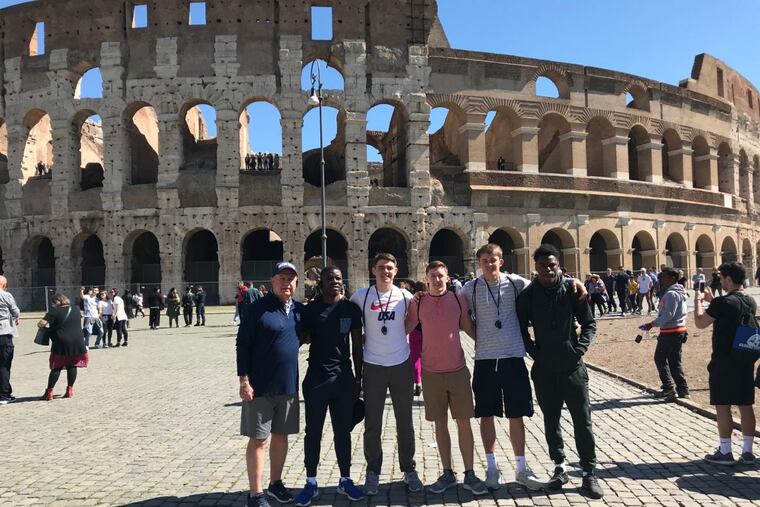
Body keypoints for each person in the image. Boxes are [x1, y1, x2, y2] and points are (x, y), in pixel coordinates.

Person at [462, 244, 556, 491]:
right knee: (486, 414)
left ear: (501, 262)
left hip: (513, 357)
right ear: (478, 263)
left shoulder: (516, 283)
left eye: (493, 260)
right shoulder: (469, 289)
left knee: (517, 414)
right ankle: (492, 468)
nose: (489, 264)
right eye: (484, 260)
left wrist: (573, 282)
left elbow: (548, 283)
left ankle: (521, 467)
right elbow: (451, 306)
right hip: (484, 360)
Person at [516, 245, 603, 499]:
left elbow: (589, 323)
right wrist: (533, 351)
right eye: (543, 265)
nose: (548, 269)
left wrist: (580, 349)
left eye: (552, 265)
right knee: (551, 420)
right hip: (544, 369)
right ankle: (560, 466)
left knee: (582, 421)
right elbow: (520, 326)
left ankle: (588, 472)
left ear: (559, 266)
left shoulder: (573, 291)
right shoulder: (529, 295)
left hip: (572, 368)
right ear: (537, 268)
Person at [405, 261, 488, 496]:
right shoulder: (418, 302)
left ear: (448, 278)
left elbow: (469, 329)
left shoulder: (458, 299)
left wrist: (491, 347)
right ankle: (447, 472)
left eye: (441, 275)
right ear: (427, 278)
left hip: (458, 369)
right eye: (433, 276)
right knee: (440, 424)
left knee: (464, 422)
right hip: (431, 373)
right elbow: (406, 328)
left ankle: (470, 472)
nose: (438, 279)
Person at [349, 253, 423, 495]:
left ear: (396, 270)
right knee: (373, 423)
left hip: (401, 364)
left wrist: (402, 334)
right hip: (373, 365)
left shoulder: (405, 296)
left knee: (405, 422)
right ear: (373, 270)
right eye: (381, 268)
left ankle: (408, 469)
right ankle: (373, 470)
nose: (386, 272)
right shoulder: (362, 296)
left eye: (390, 268)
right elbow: (350, 322)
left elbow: (414, 320)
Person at [293, 267, 365, 505]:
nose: (334, 281)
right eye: (329, 279)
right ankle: (311, 481)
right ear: (320, 283)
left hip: (343, 377)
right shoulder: (311, 310)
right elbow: (299, 339)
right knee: (313, 432)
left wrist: (359, 379)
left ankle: (345, 479)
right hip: (316, 378)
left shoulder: (351, 309)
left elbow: (357, 345)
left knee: (342, 432)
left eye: (337, 278)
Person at [237, 262, 303, 507]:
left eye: (291, 278)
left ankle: (275, 483)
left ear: (296, 283)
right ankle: (255, 494)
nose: (286, 282)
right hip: (260, 386)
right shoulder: (257, 309)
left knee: (281, 436)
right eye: (281, 277)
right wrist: (244, 380)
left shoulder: (298, 310)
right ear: (272, 281)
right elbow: (242, 345)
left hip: (287, 385)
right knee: (259, 439)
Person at [694, 261, 757, 465]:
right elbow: (730, 310)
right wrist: (715, 301)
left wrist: (698, 301)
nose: (719, 281)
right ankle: (747, 452)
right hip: (745, 357)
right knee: (746, 405)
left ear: (729, 279)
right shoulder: (749, 301)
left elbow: (700, 323)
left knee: (723, 405)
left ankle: (725, 451)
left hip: (724, 360)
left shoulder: (722, 304)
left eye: (721, 278)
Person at [638, 268, 689, 401]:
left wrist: (651, 324)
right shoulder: (681, 292)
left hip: (670, 332)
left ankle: (668, 389)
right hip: (678, 330)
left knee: (660, 359)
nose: (662, 280)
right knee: (674, 361)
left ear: (673, 278)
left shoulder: (671, 294)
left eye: (665, 277)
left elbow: (668, 315)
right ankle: (683, 389)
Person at [38, 294, 88, 400]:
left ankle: (49, 392)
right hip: (77, 341)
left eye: (53, 303)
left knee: (56, 367)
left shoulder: (54, 311)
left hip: (61, 342)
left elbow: (41, 324)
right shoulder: (75, 309)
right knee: (72, 366)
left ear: (57, 301)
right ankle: (69, 390)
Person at [0, 276, 20, 405]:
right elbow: (15, 310)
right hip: (3, 331)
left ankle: (5, 391)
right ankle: (4, 395)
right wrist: (16, 317)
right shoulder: (5, 295)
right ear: (3, 285)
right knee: (4, 365)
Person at [409, 281, 426, 397]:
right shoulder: (429, 299)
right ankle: (427, 382)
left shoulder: (412, 300)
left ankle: (417, 383)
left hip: (414, 331)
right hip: (426, 332)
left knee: (415, 359)